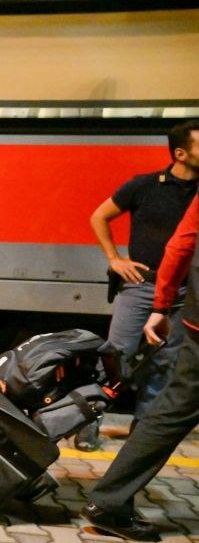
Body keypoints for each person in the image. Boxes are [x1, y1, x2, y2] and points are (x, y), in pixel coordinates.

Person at [82, 185, 198, 542]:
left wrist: (161, 308)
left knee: (170, 411)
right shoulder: (145, 184)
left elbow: (182, 244)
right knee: (169, 409)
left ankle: (109, 500)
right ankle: (108, 499)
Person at [74, 119, 199, 451]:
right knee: (116, 357)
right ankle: (90, 421)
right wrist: (115, 259)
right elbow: (99, 216)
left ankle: (142, 434)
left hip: (184, 293)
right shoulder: (144, 186)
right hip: (142, 287)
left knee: (165, 366)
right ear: (181, 153)